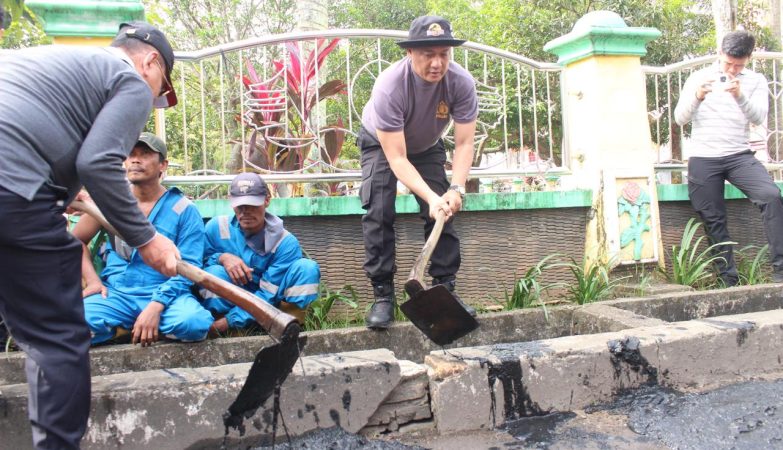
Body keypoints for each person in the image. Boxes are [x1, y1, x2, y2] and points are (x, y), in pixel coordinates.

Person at [0, 22, 180, 449]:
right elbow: (98, 162)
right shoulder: (130, 80)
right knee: (58, 339)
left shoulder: (42, 61)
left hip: (18, 184)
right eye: (160, 89)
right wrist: (147, 239)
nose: (153, 98)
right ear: (150, 61)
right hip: (13, 189)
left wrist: (60, 191)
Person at [358, 15, 478, 329]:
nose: (437, 63)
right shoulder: (390, 86)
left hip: (426, 145)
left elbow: (465, 143)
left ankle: (445, 290)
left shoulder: (461, 82)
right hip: (382, 144)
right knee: (379, 209)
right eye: (428, 54)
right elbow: (397, 158)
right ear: (410, 53)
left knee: (443, 212)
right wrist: (431, 197)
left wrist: (455, 188)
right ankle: (383, 296)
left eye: (444, 54)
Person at [74, 133, 214, 345]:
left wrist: (157, 304)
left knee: (194, 323)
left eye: (145, 154)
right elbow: (75, 241)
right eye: (131, 154)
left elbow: (191, 266)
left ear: (163, 165)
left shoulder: (184, 209)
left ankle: (125, 328)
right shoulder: (111, 202)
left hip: (167, 294)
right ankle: (131, 328)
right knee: (69, 324)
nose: (135, 160)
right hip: (117, 294)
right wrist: (93, 281)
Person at [674, 30, 782, 286]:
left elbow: (758, 118)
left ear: (748, 58)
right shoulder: (698, 77)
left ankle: (780, 271)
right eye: (728, 63)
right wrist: (697, 97)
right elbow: (680, 118)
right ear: (719, 53)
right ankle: (728, 280)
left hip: (739, 156)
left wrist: (739, 95)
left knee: (771, 196)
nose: (732, 69)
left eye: (738, 65)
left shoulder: (756, 80)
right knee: (713, 216)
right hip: (704, 156)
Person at [201, 172, 321, 333]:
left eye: (252, 204)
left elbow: (267, 295)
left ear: (267, 200)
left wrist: (229, 321)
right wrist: (222, 258)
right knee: (213, 273)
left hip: (272, 305)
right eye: (240, 205)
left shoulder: (285, 242)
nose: (245, 211)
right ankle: (228, 330)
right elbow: (198, 265)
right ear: (231, 201)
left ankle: (288, 327)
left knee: (306, 269)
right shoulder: (216, 227)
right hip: (232, 301)